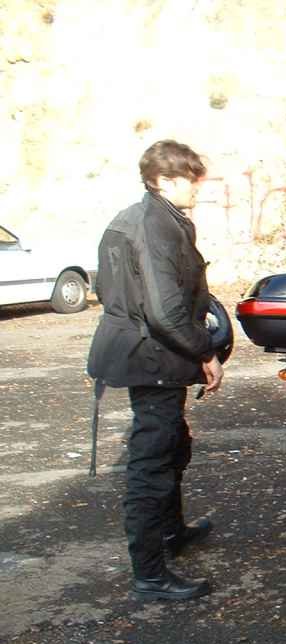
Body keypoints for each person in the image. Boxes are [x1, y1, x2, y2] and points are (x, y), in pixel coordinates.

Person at [87, 140, 222, 602]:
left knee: (173, 444)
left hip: (150, 353)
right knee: (151, 464)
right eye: (190, 180)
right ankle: (150, 574)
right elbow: (165, 312)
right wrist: (205, 351)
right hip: (150, 357)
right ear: (163, 181)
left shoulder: (152, 217)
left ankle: (171, 532)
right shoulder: (153, 226)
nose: (197, 187)